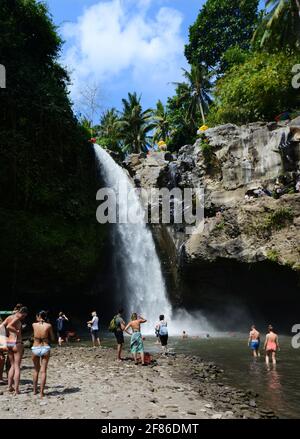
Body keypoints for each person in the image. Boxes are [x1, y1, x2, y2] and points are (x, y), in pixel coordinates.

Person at [4, 306, 28, 394]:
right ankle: (16, 389)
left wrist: (5, 337)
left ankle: (9, 387)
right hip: (17, 342)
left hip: (9, 343)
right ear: (22, 312)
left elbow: (2, 326)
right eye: (24, 315)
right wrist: (17, 332)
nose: (24, 317)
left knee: (12, 365)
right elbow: (9, 327)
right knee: (17, 366)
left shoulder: (9, 317)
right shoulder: (17, 318)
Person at [32, 311, 55, 397]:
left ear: (38, 316)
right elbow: (52, 338)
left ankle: (34, 391)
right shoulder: (48, 325)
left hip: (35, 347)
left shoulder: (33, 325)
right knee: (43, 371)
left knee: (35, 370)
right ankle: (41, 392)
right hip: (45, 347)